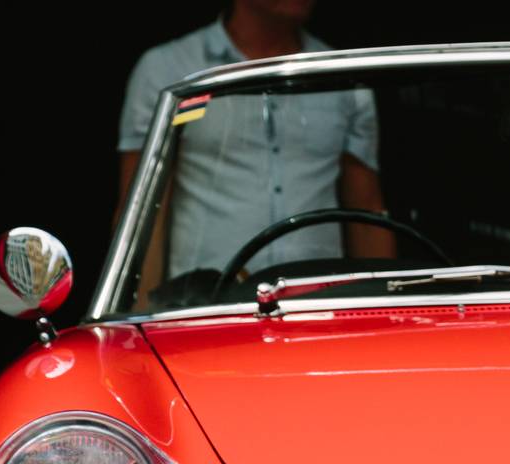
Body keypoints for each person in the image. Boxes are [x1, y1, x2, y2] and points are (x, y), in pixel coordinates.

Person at [116, 0, 394, 299]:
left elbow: (366, 212)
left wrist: (389, 309)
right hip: (207, 310)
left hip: (318, 308)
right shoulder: (170, 69)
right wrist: (136, 322)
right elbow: (143, 215)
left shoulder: (342, 76)